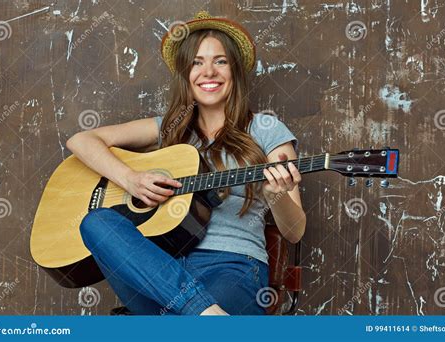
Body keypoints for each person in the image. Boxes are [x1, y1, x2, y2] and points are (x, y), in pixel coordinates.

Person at [66, 11, 306, 315]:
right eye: (196, 62)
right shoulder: (169, 127)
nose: (209, 72)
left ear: (235, 71)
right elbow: (81, 141)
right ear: (185, 74)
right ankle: (203, 313)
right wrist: (130, 179)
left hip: (232, 265)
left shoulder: (266, 129)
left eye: (220, 61)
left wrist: (277, 196)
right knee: (96, 223)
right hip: (157, 269)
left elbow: (295, 232)